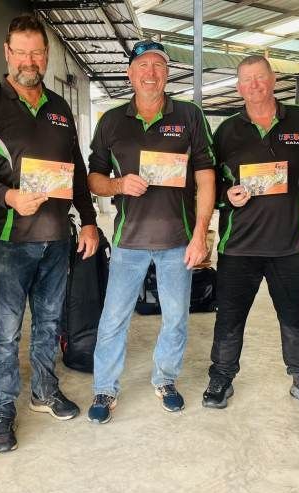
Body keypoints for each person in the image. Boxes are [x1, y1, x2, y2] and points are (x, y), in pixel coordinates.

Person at [0, 15, 98, 453]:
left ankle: (43, 391)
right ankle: (3, 409)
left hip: (57, 237)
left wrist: (89, 218)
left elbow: (75, 170)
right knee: (4, 332)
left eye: (37, 52)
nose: (29, 60)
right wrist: (8, 196)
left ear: (47, 55)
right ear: (7, 53)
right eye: (21, 52)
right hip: (8, 240)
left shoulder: (59, 107)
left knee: (48, 324)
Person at [85, 40, 215, 423]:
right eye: (143, 66)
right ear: (130, 74)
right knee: (113, 320)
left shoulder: (190, 116)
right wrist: (118, 185)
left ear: (167, 74)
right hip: (129, 243)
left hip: (179, 242)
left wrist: (201, 235)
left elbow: (206, 177)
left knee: (176, 318)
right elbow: (93, 178)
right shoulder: (110, 121)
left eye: (158, 66)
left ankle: (165, 379)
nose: (151, 73)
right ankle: (105, 388)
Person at [202, 55, 299, 412]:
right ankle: (221, 377)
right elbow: (206, 179)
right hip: (239, 245)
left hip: (290, 242)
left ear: (273, 79)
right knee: (229, 315)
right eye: (247, 81)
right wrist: (223, 197)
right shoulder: (227, 130)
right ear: (239, 87)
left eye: (260, 78)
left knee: (293, 313)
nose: (255, 86)